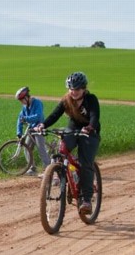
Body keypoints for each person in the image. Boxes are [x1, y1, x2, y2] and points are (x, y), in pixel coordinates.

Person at [34, 72, 101, 215]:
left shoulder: (91, 99)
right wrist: (42, 125)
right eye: (71, 89)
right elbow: (54, 115)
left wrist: (90, 127)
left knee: (85, 163)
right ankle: (58, 172)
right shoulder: (66, 100)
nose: (74, 92)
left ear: (84, 88)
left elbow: (95, 115)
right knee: (62, 149)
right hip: (72, 129)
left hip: (89, 131)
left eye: (77, 89)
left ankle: (87, 199)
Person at [15, 86, 50, 174]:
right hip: (31, 129)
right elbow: (20, 119)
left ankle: (48, 168)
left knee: (40, 148)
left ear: (26, 97)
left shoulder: (37, 103)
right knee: (27, 147)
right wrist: (19, 132)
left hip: (39, 127)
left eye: (22, 100)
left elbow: (38, 116)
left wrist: (26, 119)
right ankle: (32, 168)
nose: (21, 102)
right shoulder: (25, 106)